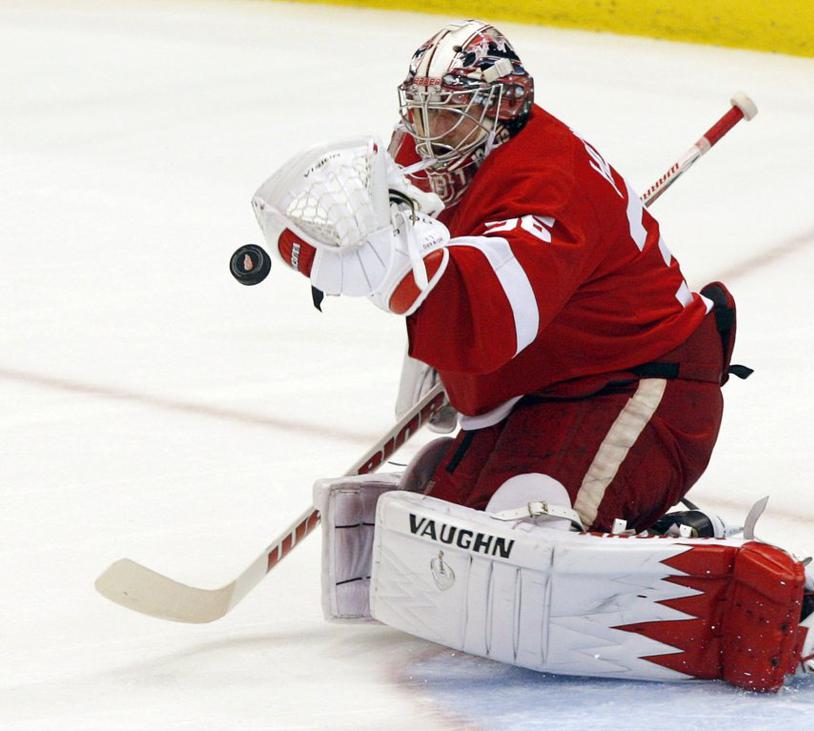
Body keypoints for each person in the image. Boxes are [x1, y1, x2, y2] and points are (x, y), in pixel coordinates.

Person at [263, 18, 744, 533]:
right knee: (447, 524)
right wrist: (436, 359)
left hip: (641, 386)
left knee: (535, 520)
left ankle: (692, 542)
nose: (430, 133)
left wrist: (398, 281)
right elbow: (429, 243)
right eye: (423, 112)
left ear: (503, 109)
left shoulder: (549, 183)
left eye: (450, 114)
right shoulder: (444, 154)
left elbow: (490, 311)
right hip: (543, 385)